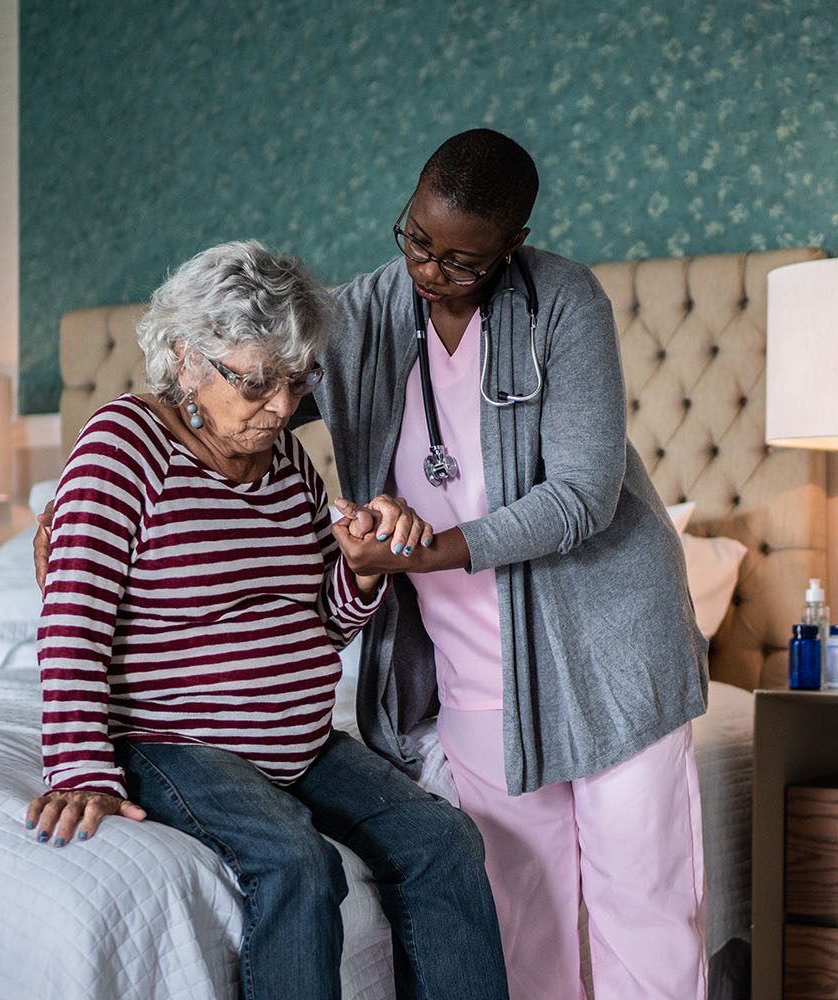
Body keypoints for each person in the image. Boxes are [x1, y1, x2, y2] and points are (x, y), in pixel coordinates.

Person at [25, 240, 509, 1000]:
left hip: (301, 741)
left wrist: (361, 567)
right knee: (295, 862)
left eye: (296, 379)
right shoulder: (121, 447)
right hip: (175, 738)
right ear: (187, 358)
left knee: (443, 840)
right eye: (256, 382)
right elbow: (72, 618)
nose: (282, 407)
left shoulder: (286, 463)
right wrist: (78, 765)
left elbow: (326, 623)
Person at [314, 129, 710, 1000]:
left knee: (639, 908)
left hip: (609, 655)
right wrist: (112, 470)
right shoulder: (366, 314)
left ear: (512, 246)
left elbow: (580, 497)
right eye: (417, 239)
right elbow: (247, 381)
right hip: (474, 673)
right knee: (517, 917)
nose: (430, 270)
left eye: (463, 260)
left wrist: (425, 549)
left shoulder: (564, 302)